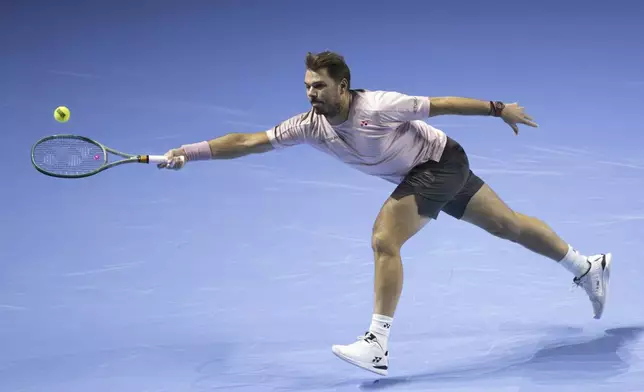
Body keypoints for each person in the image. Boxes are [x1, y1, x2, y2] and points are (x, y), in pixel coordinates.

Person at [158, 51, 611, 376]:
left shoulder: (378, 106)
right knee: (507, 225)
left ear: (342, 85)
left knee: (384, 239)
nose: (312, 93)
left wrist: (499, 109)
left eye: (319, 86)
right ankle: (586, 266)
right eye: (307, 86)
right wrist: (189, 152)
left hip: (438, 163)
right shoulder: (308, 126)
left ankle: (376, 343)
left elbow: (445, 105)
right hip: (430, 170)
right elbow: (249, 141)